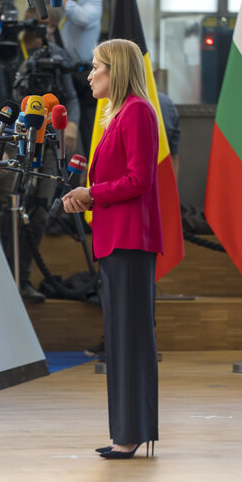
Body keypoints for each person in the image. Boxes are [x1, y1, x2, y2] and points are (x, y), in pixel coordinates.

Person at [62, 39, 161, 459]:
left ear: (115, 70)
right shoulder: (116, 113)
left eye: (96, 67)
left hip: (130, 240)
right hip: (117, 239)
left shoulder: (137, 111)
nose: (89, 75)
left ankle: (132, 431)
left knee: (130, 338)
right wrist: (87, 191)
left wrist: (92, 192)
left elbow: (140, 179)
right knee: (121, 339)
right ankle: (127, 429)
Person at [0, 9, 81, 302]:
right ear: (28, 24)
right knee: (11, 207)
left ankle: (23, 279)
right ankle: (4, 281)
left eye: (52, 26)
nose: (47, 31)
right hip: (16, 140)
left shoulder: (57, 56)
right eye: (42, 24)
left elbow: (72, 96)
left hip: (50, 140)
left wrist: (73, 123)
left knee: (39, 211)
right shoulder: (11, 51)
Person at [56, 0, 101, 156]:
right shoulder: (49, 1)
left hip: (85, 74)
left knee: (90, 133)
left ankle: (92, 177)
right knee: (61, 134)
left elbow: (83, 19)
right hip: (61, 73)